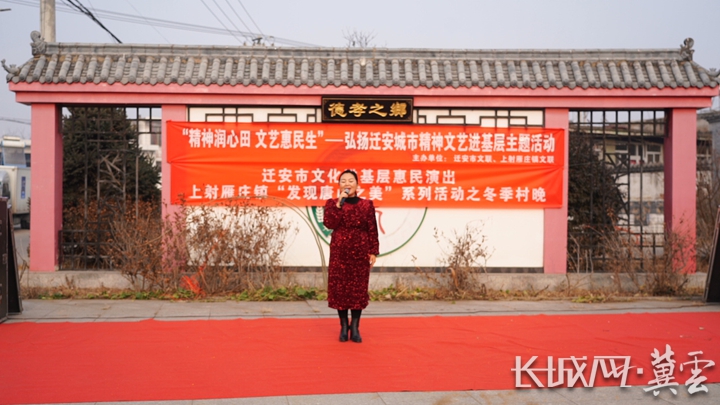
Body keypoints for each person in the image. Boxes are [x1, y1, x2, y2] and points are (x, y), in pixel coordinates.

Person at [323, 169, 379, 343]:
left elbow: (372, 229)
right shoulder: (332, 204)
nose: (347, 184)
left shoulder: (366, 205)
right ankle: (343, 326)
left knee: (357, 289)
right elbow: (329, 223)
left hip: (360, 251)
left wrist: (373, 251)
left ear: (357, 184)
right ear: (339, 185)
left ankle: (355, 327)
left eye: (350, 180)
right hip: (339, 251)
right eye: (343, 181)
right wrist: (339, 205)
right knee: (340, 289)